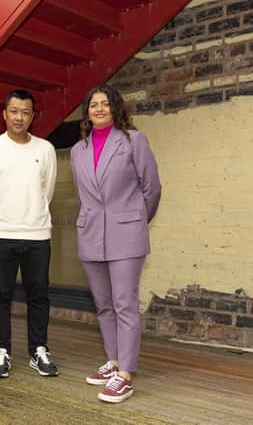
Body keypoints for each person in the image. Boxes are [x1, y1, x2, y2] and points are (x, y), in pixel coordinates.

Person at [70, 84, 161, 403]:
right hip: (91, 232)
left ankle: (126, 375)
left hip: (126, 234)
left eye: (105, 104)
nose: (98, 109)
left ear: (115, 108)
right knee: (103, 303)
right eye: (93, 104)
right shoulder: (77, 149)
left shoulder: (133, 141)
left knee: (124, 302)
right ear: (87, 111)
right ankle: (114, 361)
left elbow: (151, 188)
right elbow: (84, 195)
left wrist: (134, 221)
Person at [0, 90, 58, 379]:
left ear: (32, 116)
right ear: (4, 114)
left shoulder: (45, 149)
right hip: (1, 234)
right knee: (0, 297)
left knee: (39, 296)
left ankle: (38, 350)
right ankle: (1, 351)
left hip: (37, 235)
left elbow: (47, 190)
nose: (19, 117)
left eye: (25, 112)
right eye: (14, 111)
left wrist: (32, 216)